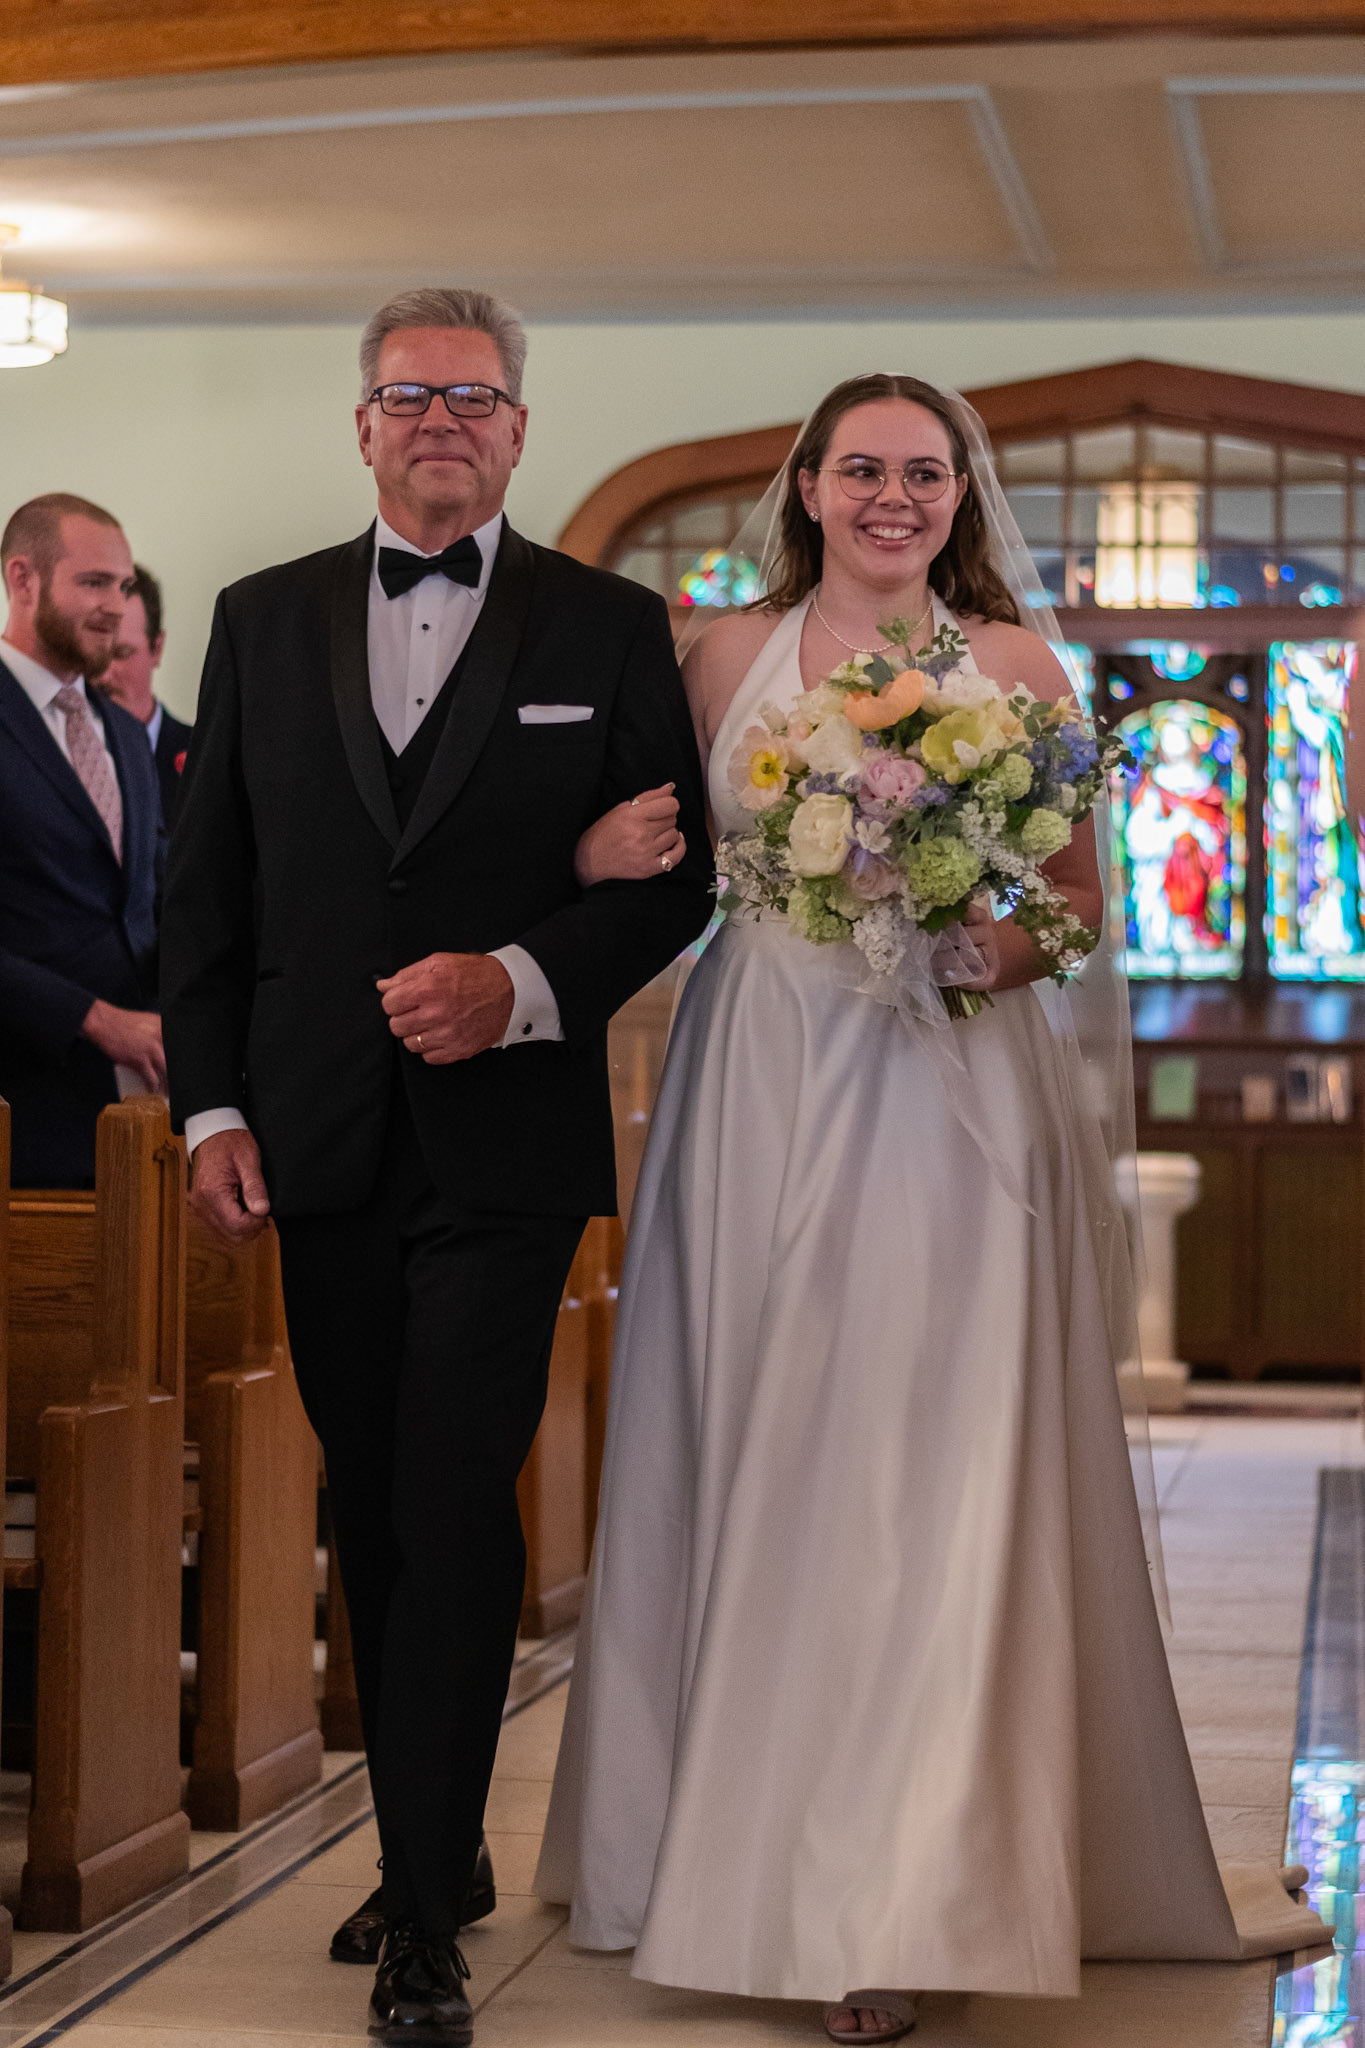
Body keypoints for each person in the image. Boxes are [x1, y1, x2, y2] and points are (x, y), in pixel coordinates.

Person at [535, 375, 1325, 2042]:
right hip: (759, 1070)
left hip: (946, 1082)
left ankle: (902, 1891)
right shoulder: (722, 659)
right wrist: (597, 854)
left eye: (925, 473)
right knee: (748, 1428)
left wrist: (982, 945)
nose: (893, 497)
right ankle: (693, 1840)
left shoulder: (1018, 667)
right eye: (863, 470)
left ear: (960, 497)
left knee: (923, 1451)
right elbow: (664, 865)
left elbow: (1082, 906)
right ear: (808, 487)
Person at [159, 286, 711, 2046]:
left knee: (458, 1490)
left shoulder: (610, 624)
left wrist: (522, 977)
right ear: (364, 425)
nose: (442, 421)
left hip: (505, 1142)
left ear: (519, 430)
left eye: (474, 397)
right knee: (379, 1500)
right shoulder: (260, 618)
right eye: (410, 396)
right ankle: (438, 1841)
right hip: (316, 1136)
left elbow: (678, 879)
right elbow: (209, 890)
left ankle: (416, 1912)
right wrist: (209, 1110)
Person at [0, 493, 166, 1188]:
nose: (115, 607)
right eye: (94, 582)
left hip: (139, 1120)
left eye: (123, 586)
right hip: (19, 1113)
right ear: (23, 579)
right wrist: (91, 1017)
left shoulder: (124, 733)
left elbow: (150, 901)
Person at [96, 563, 194, 828]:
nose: (103, 674)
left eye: (122, 653)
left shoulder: (204, 761)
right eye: (95, 654)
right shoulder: (55, 757)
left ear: (157, 648)